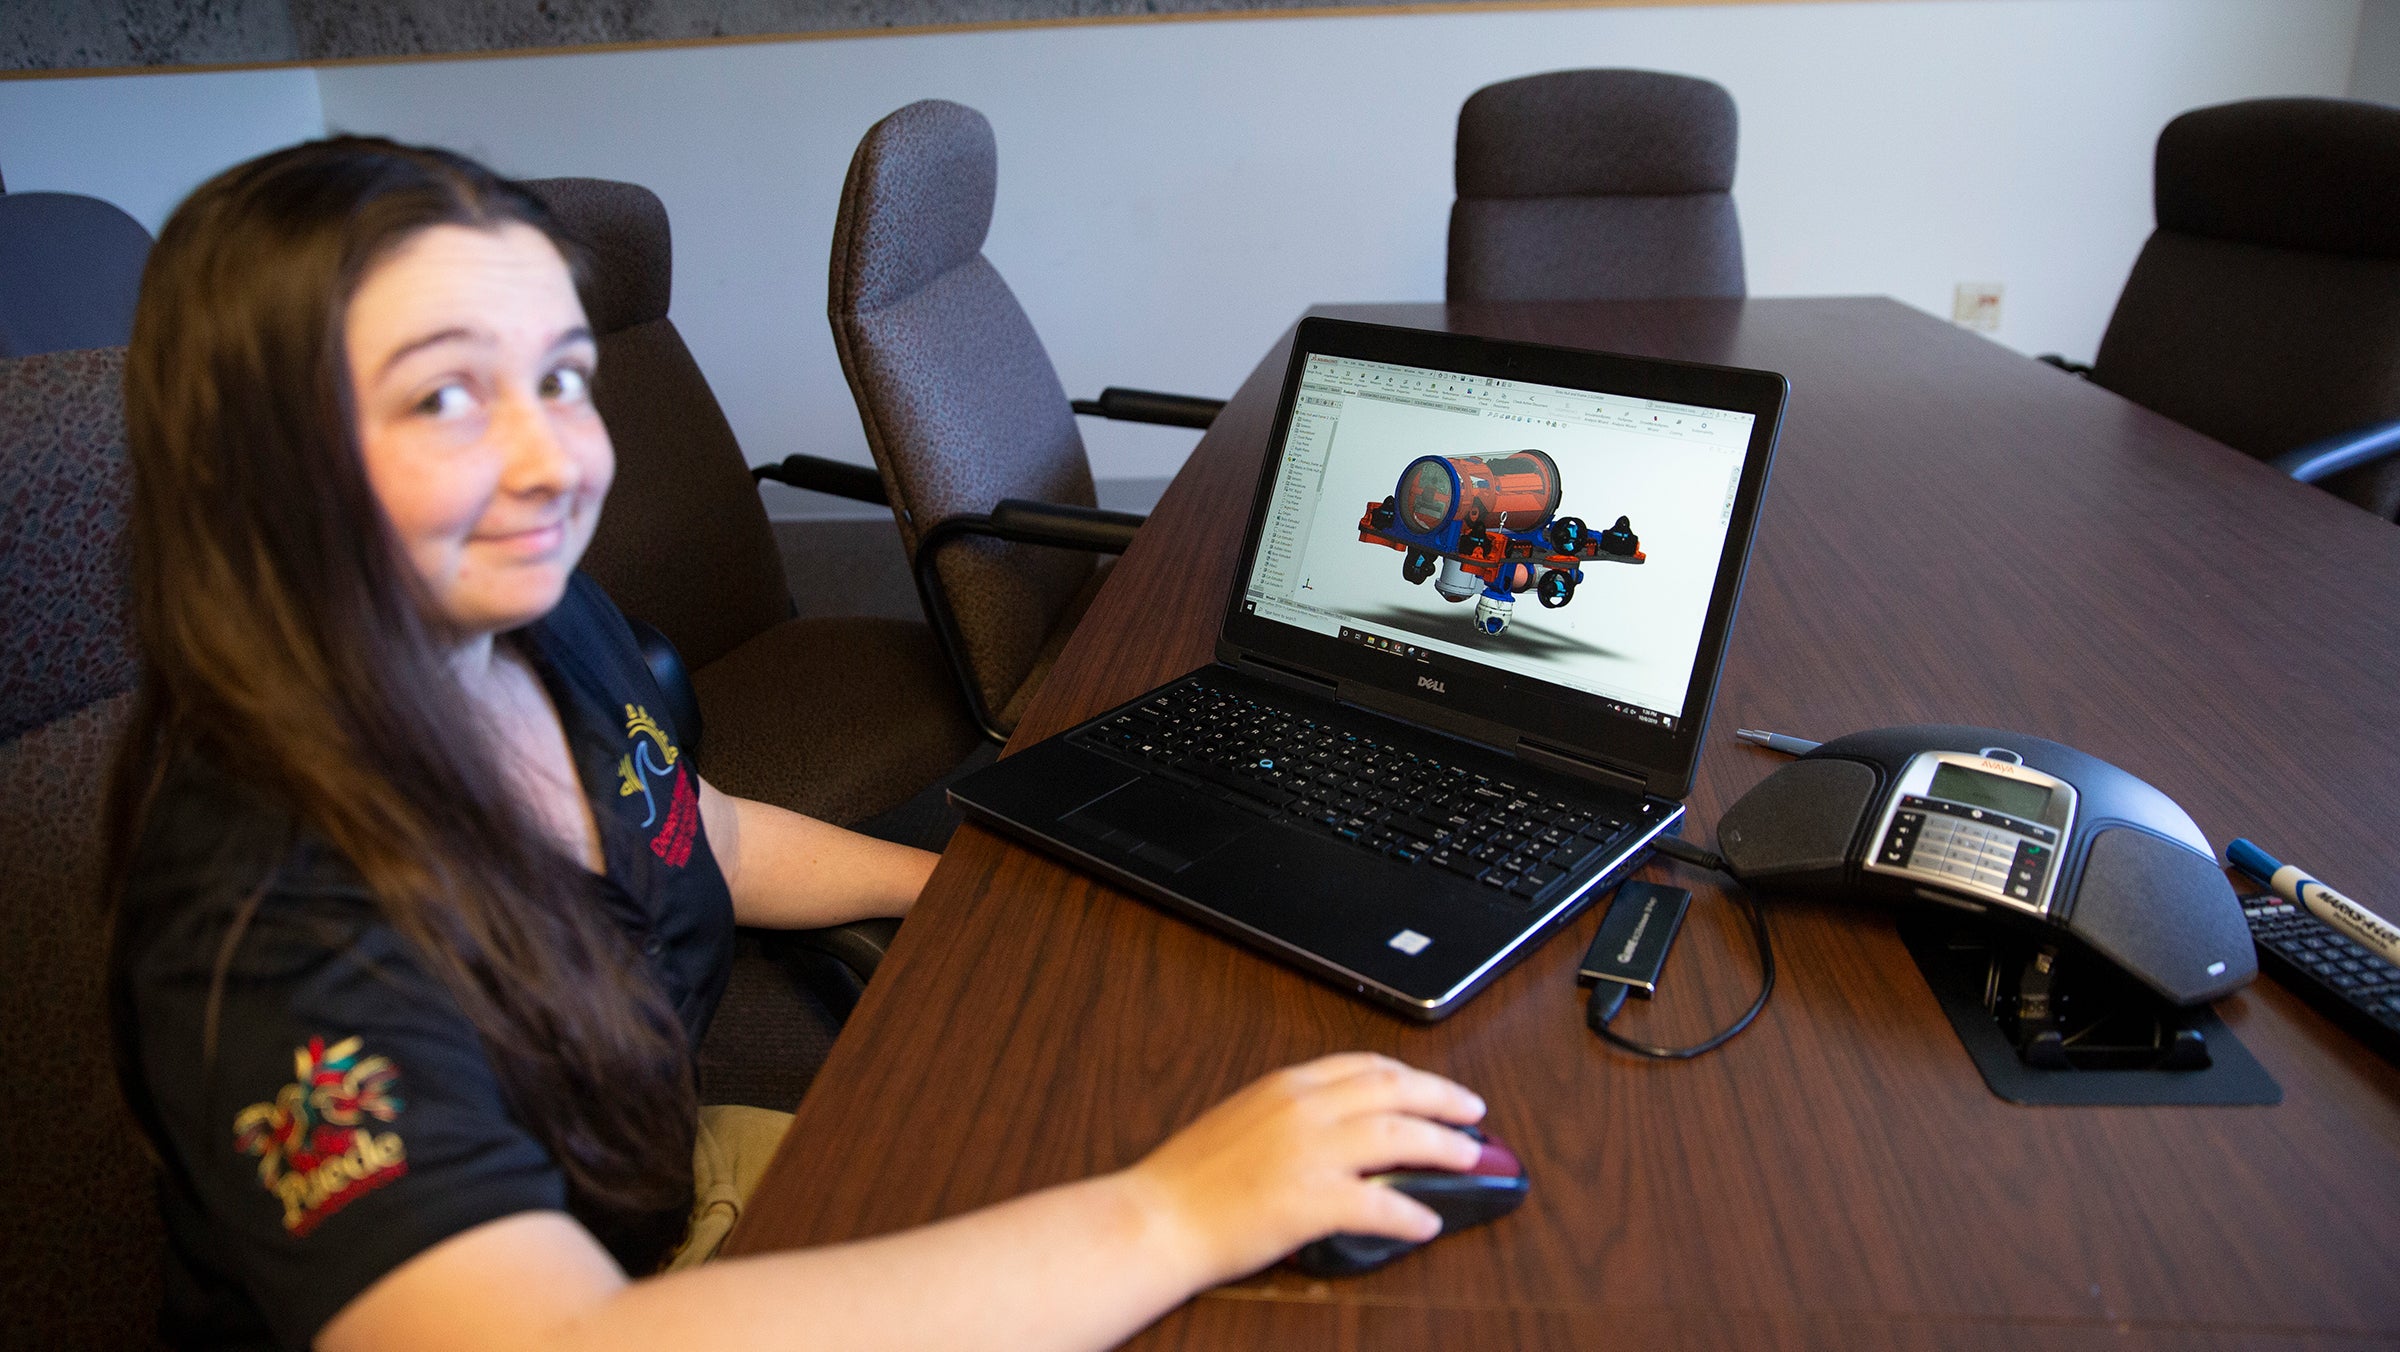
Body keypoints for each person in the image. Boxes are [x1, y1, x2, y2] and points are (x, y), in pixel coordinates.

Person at [105, 136, 1491, 1352]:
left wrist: (968, 894)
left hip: (653, 1191)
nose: (554, 461)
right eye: (445, 398)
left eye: (563, 378)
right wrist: (1172, 1214)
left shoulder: (538, 623)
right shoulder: (268, 921)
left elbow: (694, 828)